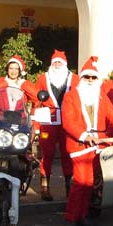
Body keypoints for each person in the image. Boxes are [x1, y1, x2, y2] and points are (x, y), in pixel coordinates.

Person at [61, 56, 113, 226]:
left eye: (93, 77)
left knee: (91, 183)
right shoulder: (71, 96)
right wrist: (84, 135)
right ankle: (71, 217)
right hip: (79, 145)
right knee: (81, 182)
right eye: (87, 77)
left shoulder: (100, 96)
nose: (90, 80)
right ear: (82, 78)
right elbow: (68, 121)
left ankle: (83, 215)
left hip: (98, 145)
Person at [35, 50, 79, 201]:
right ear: (51, 64)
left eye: (60, 62)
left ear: (65, 64)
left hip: (67, 121)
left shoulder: (75, 79)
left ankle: (69, 186)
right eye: (55, 62)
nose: (57, 65)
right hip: (48, 121)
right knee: (47, 153)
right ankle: (45, 187)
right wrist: (35, 126)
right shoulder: (42, 78)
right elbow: (37, 102)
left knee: (68, 153)